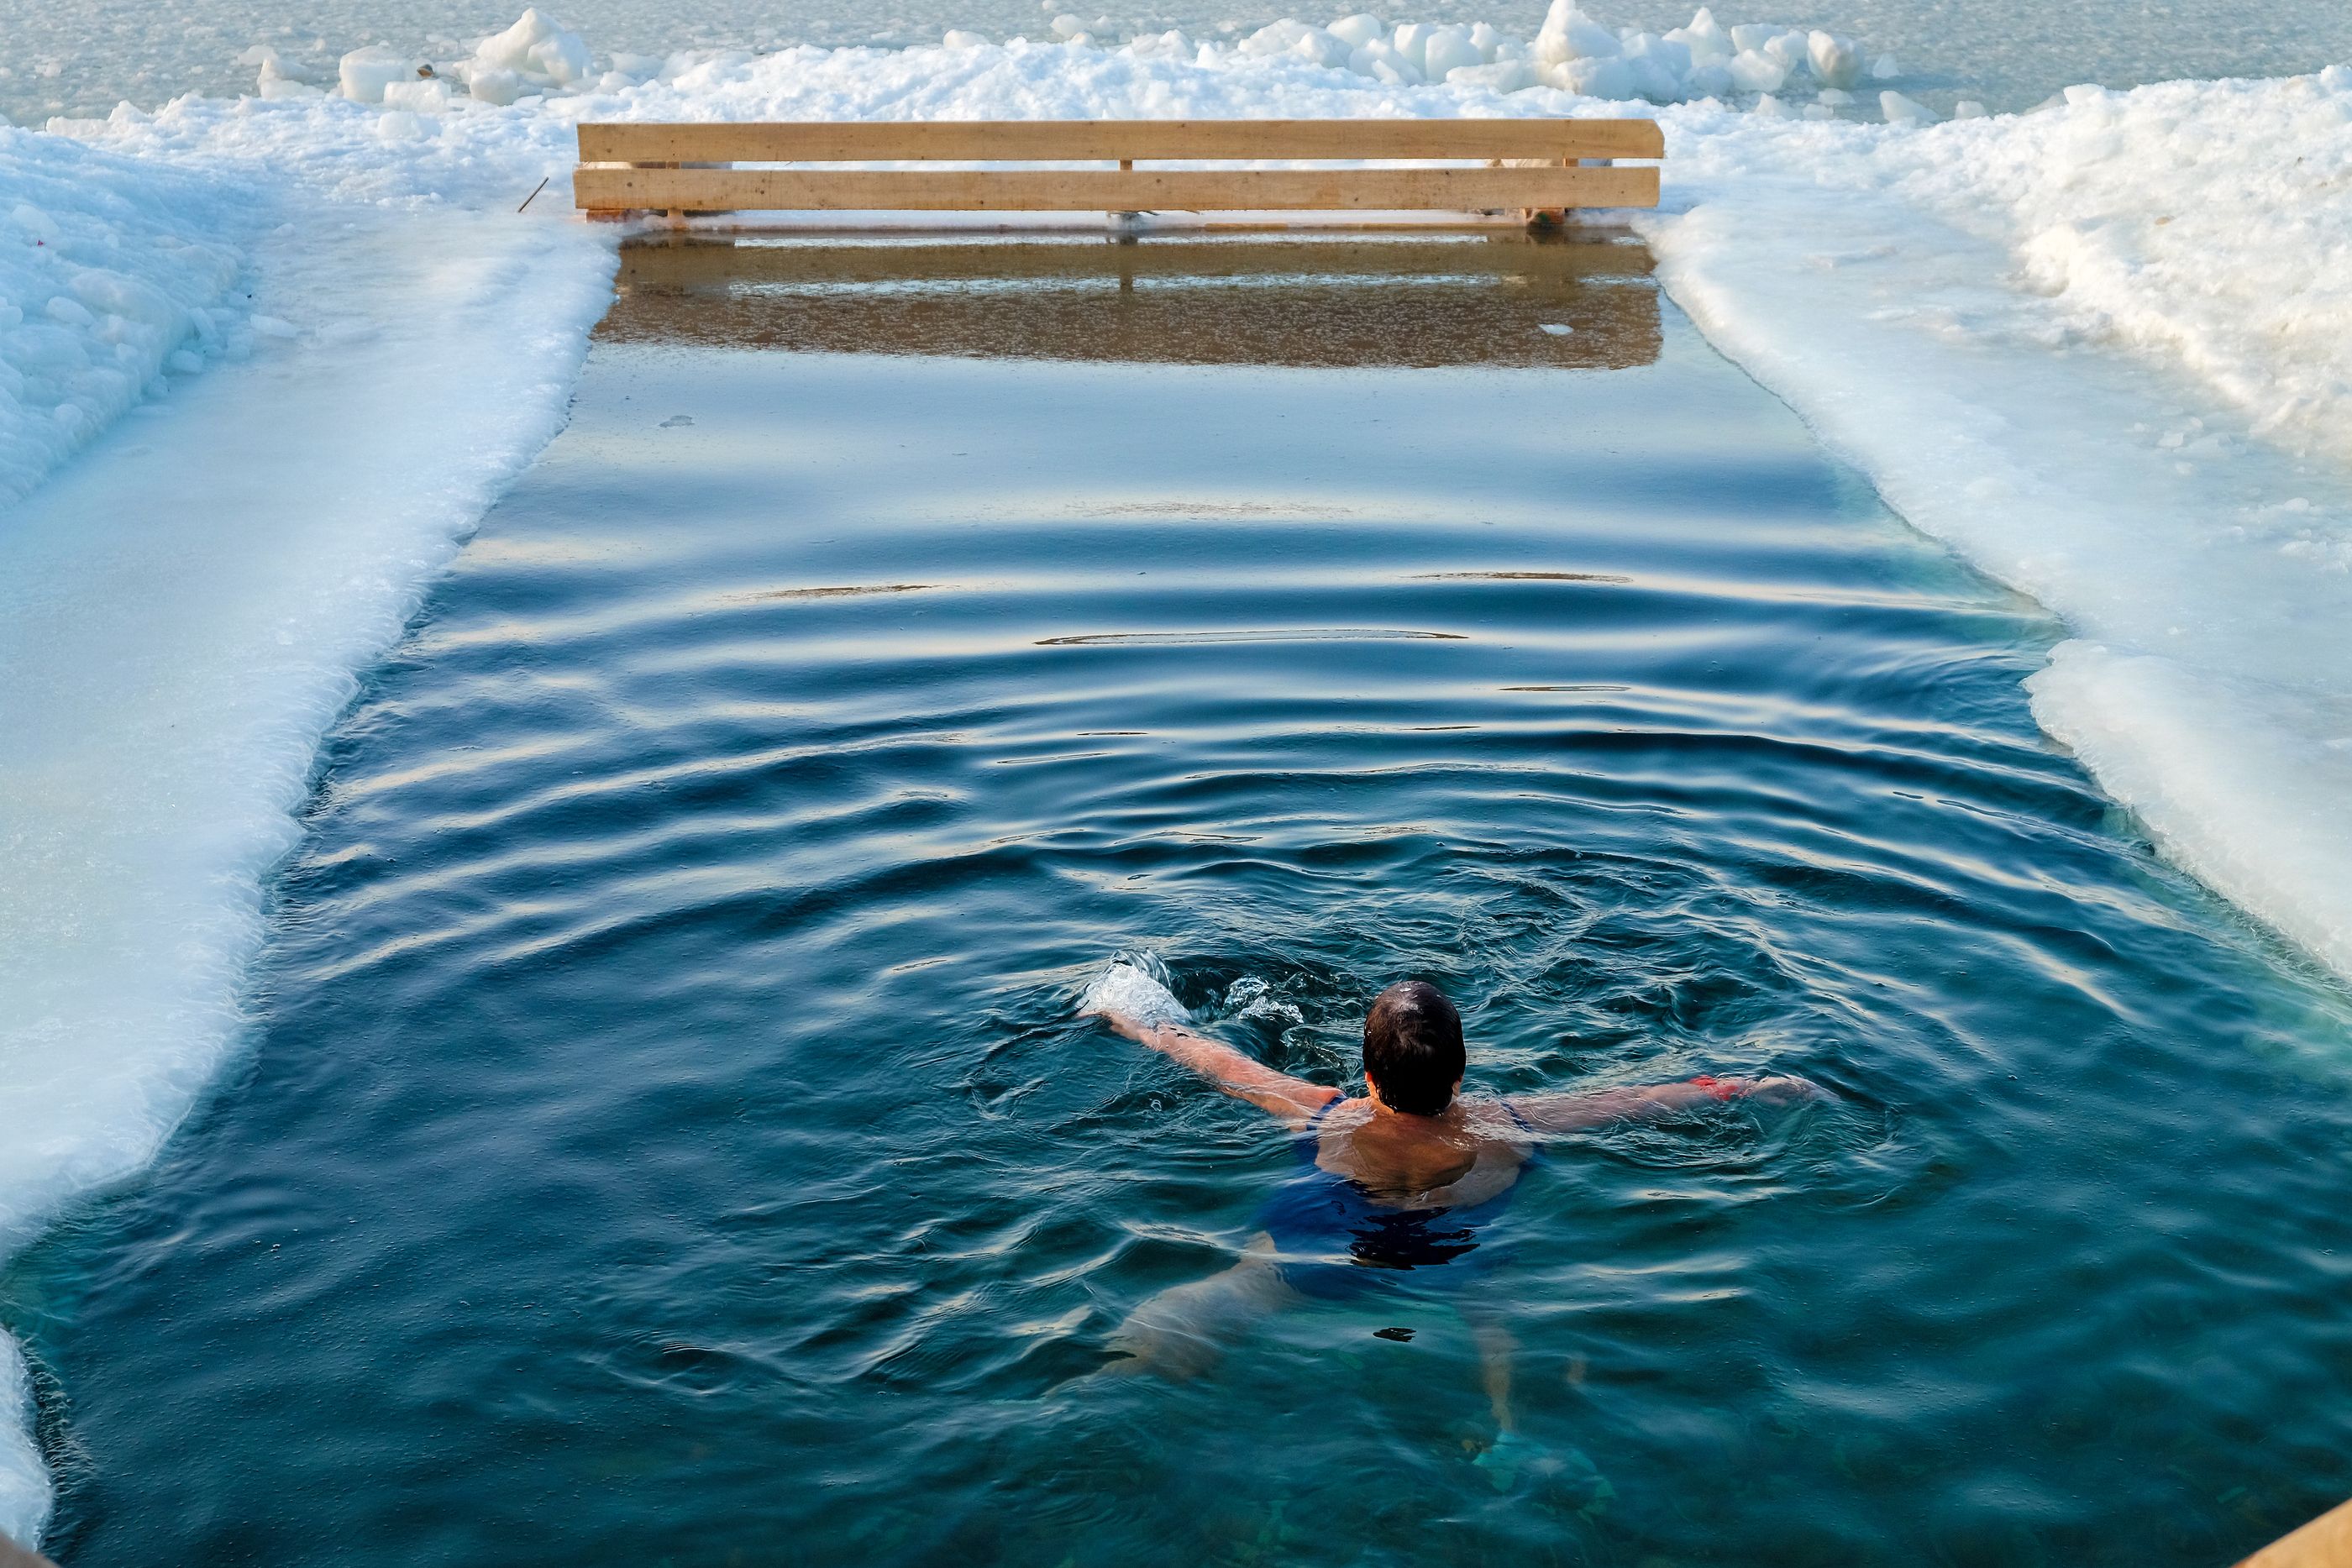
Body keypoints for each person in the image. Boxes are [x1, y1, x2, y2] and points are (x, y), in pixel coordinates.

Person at [1080, 957, 1823, 1467]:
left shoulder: (1321, 1114)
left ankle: (1087, 1398)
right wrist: (1742, 1085)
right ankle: (1513, 1439)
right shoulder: (1509, 1123)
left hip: (1324, 1240)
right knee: (1500, 1322)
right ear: (1461, 1071)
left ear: (1367, 1073)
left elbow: (1213, 1058)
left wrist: (1126, 1012)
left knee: (1223, 1296)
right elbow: (1635, 1101)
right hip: (1459, 1248)